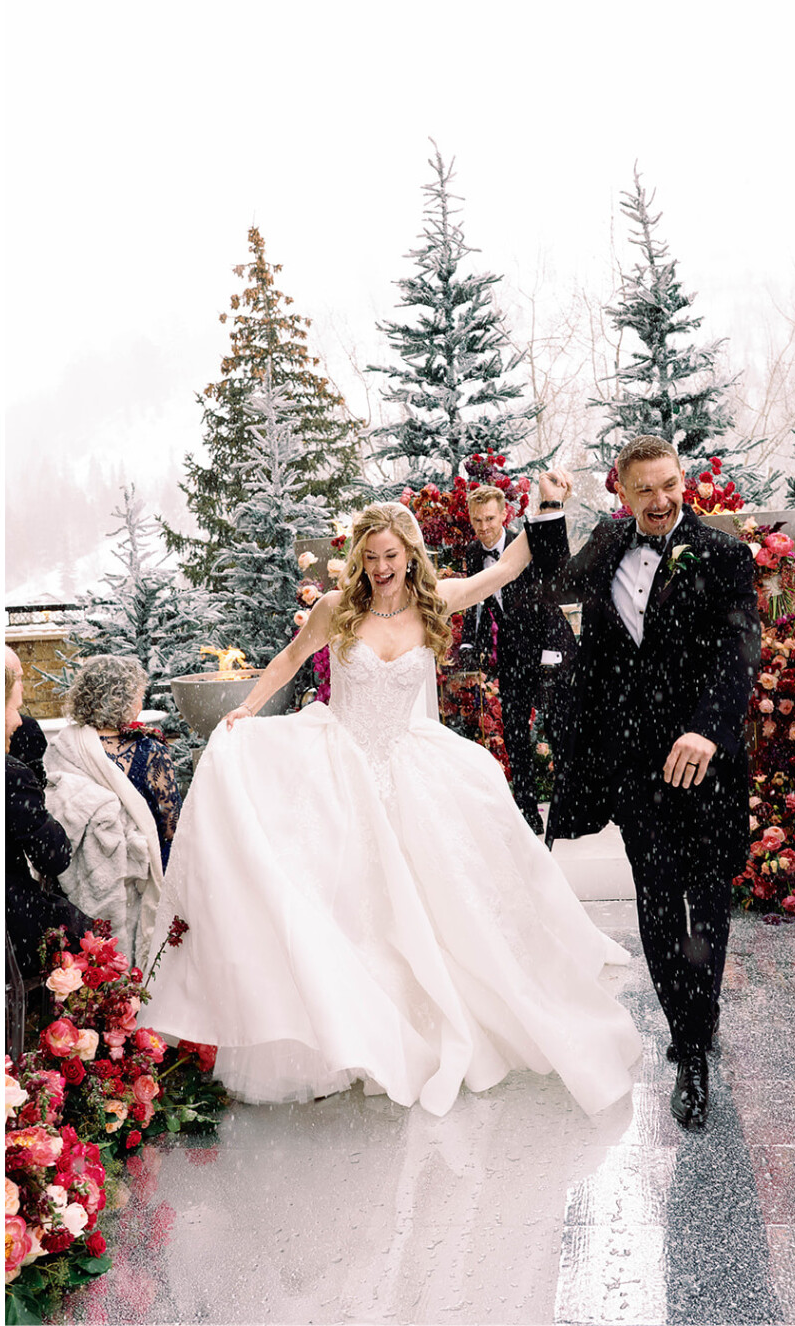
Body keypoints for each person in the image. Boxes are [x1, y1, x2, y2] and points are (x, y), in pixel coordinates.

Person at [142, 473, 641, 1117]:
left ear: (409, 554)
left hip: (410, 769)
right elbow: (291, 659)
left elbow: (510, 567)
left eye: (391, 556)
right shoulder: (337, 610)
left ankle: (424, 1024)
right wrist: (247, 709)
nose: (380, 568)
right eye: (371, 557)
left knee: (428, 899)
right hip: (339, 763)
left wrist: (545, 506)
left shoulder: (435, 602)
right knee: (346, 898)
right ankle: (344, 1032)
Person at [531, 436, 760, 1129]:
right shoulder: (606, 547)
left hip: (706, 760)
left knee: (708, 900)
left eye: (668, 486)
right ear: (622, 494)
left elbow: (739, 650)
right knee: (659, 904)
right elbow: (553, 586)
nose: (659, 502)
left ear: (681, 481)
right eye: (643, 491)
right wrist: (545, 512)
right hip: (635, 766)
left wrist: (706, 729)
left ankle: (701, 1015)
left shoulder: (724, 556)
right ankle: (689, 1048)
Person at [451, 481, 575, 834]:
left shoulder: (528, 542)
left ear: (505, 514)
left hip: (550, 644)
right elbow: (475, 599)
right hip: (511, 650)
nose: (484, 527)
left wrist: (551, 655)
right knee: (515, 732)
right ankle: (527, 812)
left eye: (490, 518)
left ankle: (567, 812)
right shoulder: (475, 553)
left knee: (558, 729)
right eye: (477, 520)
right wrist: (468, 644)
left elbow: (551, 597)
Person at [41, 654, 171, 972]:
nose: (142, 698)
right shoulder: (149, 751)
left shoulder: (64, 746)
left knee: (91, 969)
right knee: (141, 970)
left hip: (80, 882)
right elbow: (169, 825)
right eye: (138, 692)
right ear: (124, 699)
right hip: (135, 879)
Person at [7, 647, 89, 1000]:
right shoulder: (8, 774)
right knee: (91, 941)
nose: (17, 720)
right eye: (19, 680)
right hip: (11, 912)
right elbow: (54, 856)